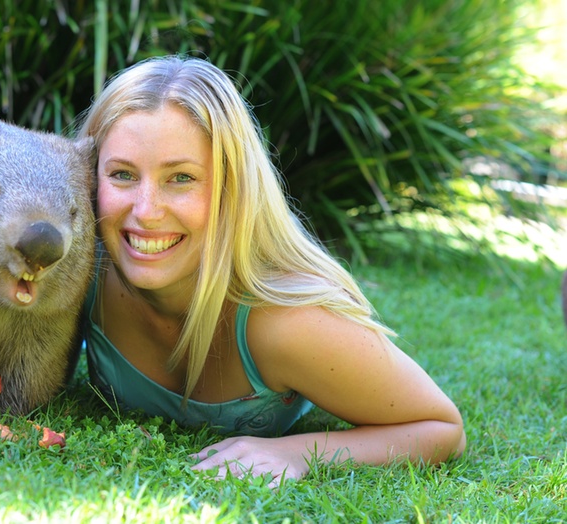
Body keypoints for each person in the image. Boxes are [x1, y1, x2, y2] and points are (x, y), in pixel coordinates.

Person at [75, 55, 466, 487]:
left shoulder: (288, 321)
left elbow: (441, 428)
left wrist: (296, 453)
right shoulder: (79, 274)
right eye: (123, 175)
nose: (146, 211)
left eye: (181, 178)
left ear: (233, 189)